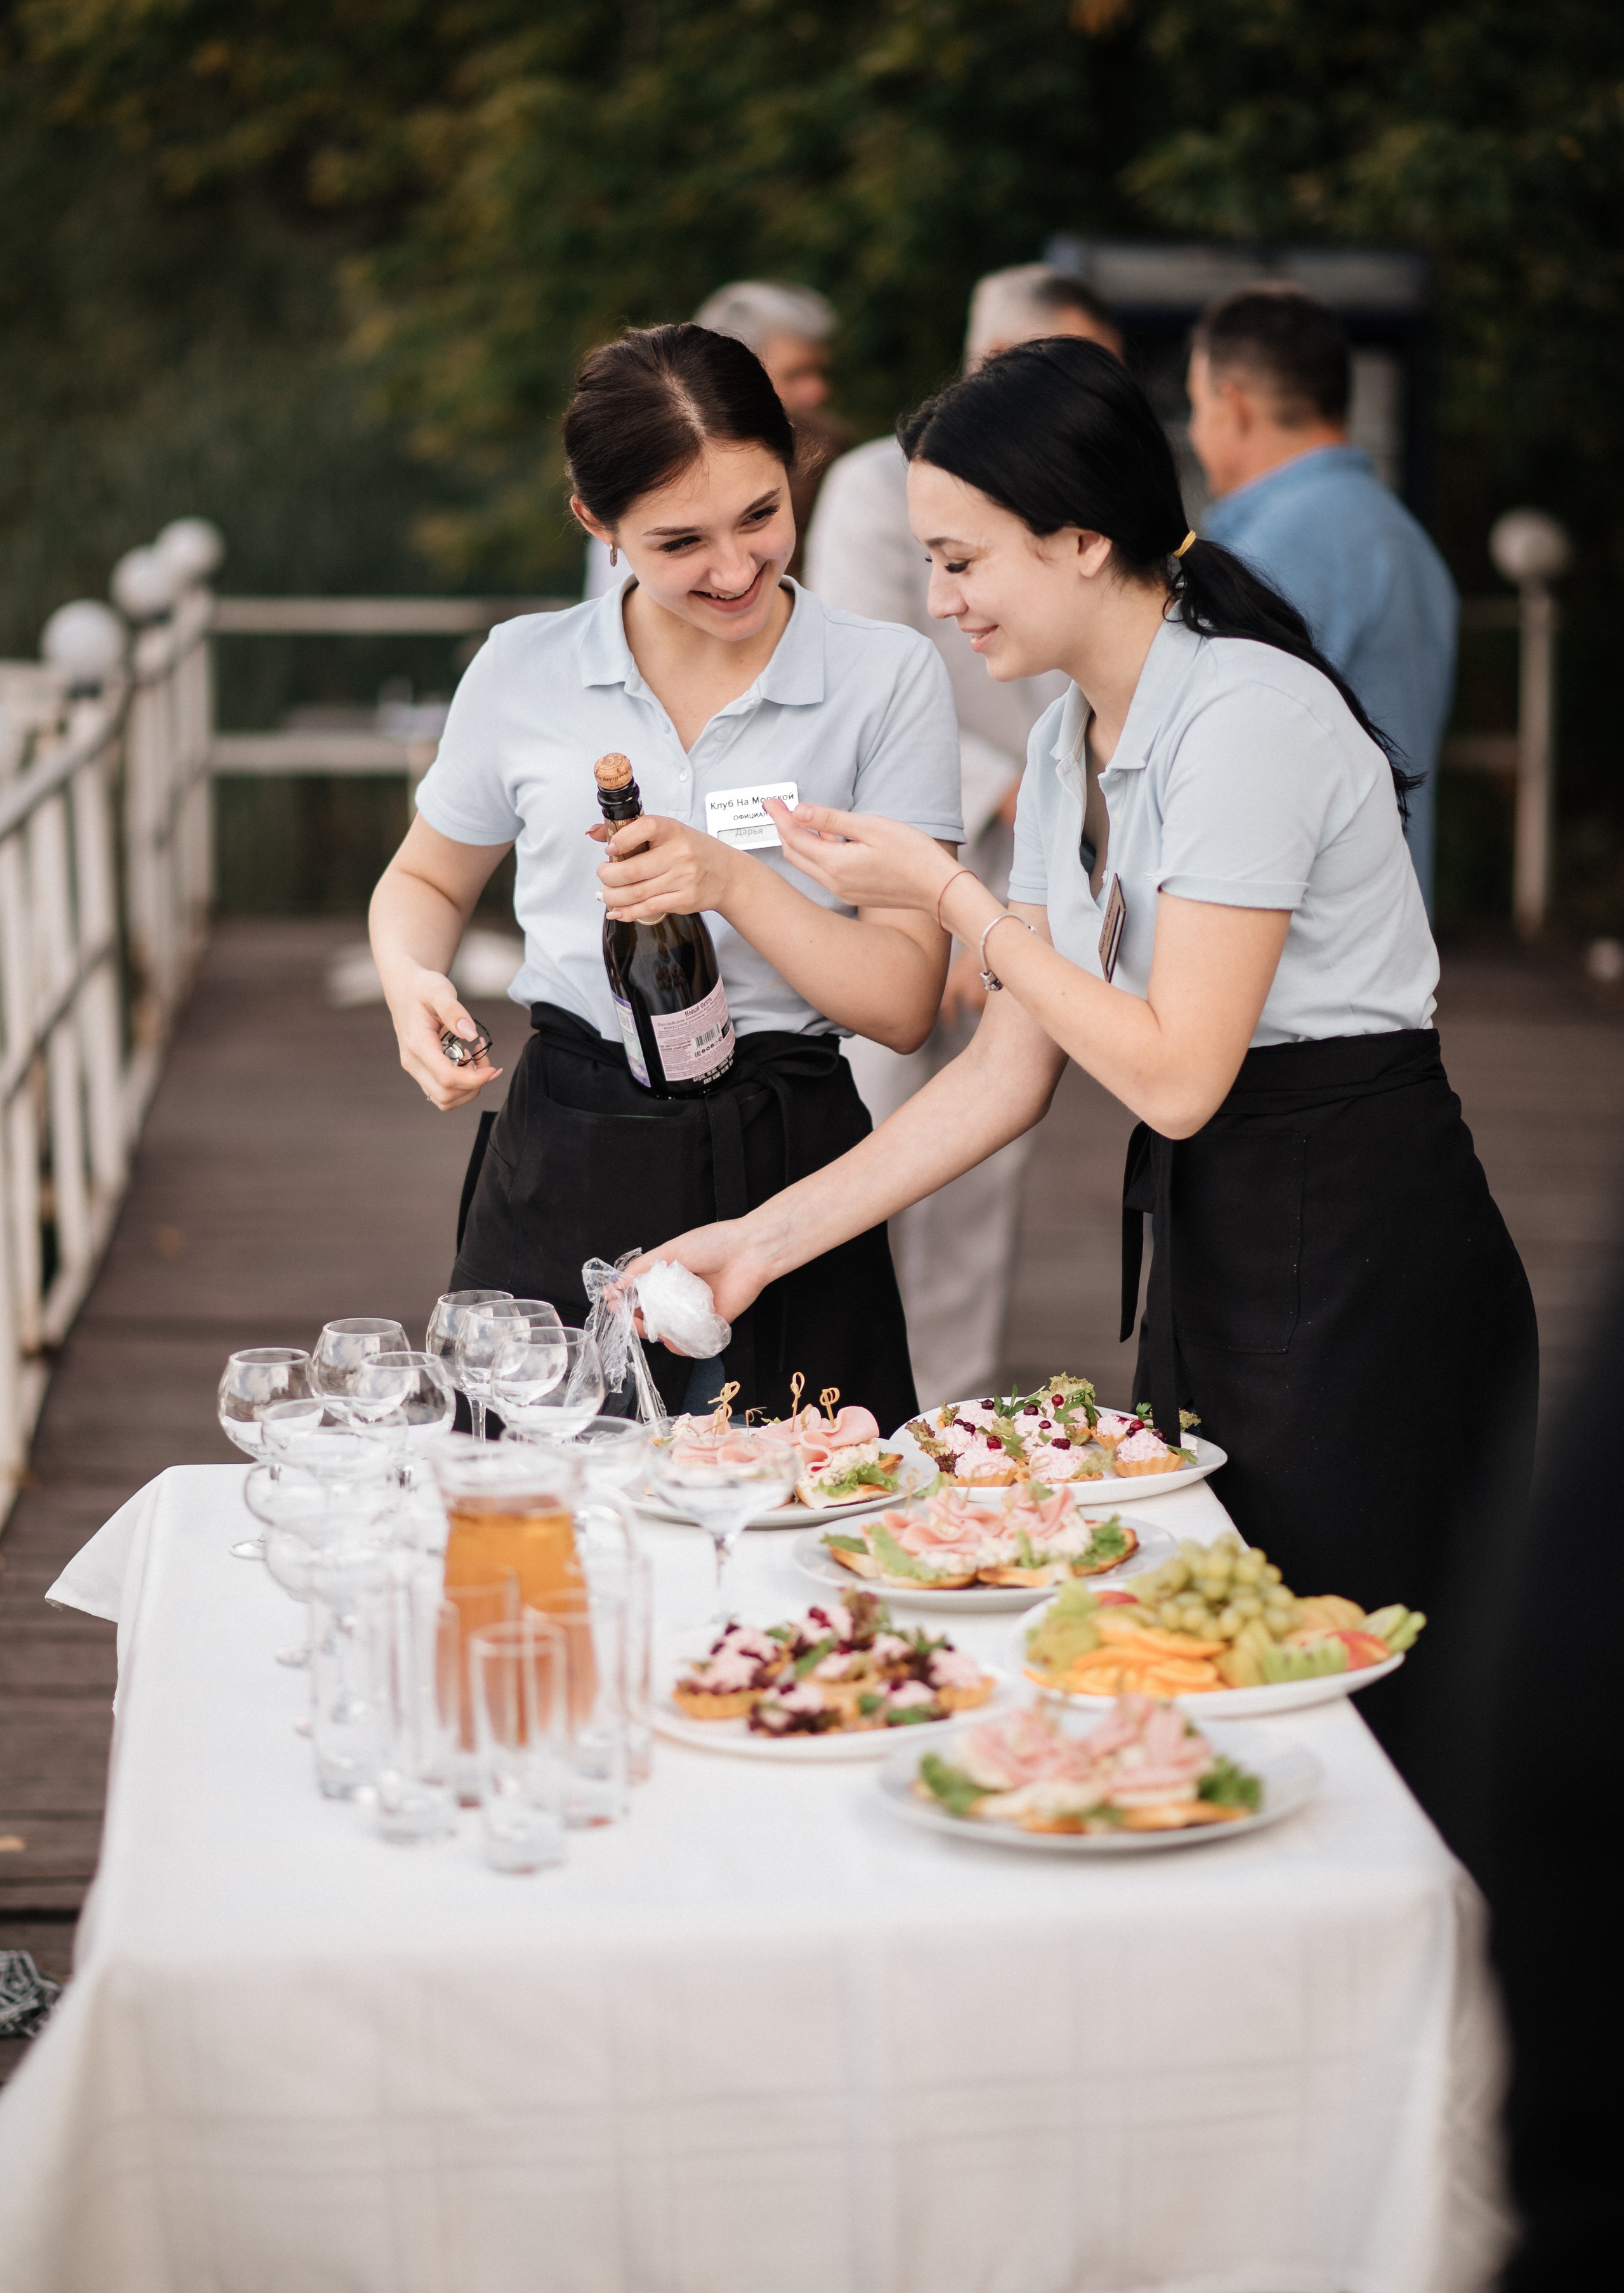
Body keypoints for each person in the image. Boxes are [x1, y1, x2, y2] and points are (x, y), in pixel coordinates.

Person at [638, 336, 1537, 1771]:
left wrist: (952, 905)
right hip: (1223, 1231)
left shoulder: (1242, 714)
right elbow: (1006, 1070)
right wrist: (759, 1240)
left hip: (1363, 1241)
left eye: (959, 560)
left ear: (1079, 537)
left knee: (1347, 1705)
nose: (935, 602)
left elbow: (1177, 1072)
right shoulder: (1066, 741)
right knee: (1207, 1649)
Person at [370, 322, 964, 1430]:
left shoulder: (887, 678)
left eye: (761, 515)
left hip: (792, 1161)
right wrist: (412, 980)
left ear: (800, 471)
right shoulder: (523, 668)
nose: (735, 568)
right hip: (568, 1140)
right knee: (528, 1509)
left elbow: (900, 1003)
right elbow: (426, 880)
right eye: (680, 540)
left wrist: (734, 882)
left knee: (805, 1516)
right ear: (597, 523)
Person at [804, 265, 1124, 1406]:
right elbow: (868, 685)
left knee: (994, 1153)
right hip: (894, 849)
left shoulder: (1093, 506)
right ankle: (850, 1401)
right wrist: (935, 902)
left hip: (1041, 846)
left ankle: (950, 1403)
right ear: (991, 363)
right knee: (874, 1133)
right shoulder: (865, 488)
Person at [1186, 282, 1458, 914]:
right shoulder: (1401, 535)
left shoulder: (1272, 548)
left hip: (1291, 945)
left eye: (1197, 407)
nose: (1198, 435)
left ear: (1234, 406)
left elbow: (1222, 760)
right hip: (1378, 935)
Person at [583, 282, 847, 595]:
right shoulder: (636, 489)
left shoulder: (839, 457)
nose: (817, 391)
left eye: (760, 514)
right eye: (681, 542)